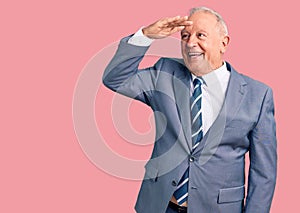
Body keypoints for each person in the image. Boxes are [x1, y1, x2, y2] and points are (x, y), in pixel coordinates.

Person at [103, 6, 277, 213]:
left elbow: (264, 171)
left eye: (200, 35)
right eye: (185, 36)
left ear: (224, 43)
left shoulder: (258, 95)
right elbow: (115, 78)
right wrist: (145, 36)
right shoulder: (165, 73)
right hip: (159, 205)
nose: (190, 43)